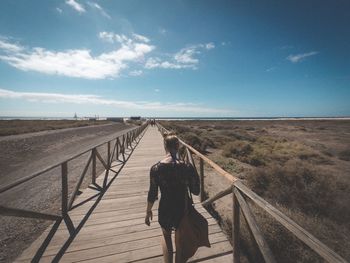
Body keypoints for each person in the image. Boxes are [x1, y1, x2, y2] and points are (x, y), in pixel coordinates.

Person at [145, 132, 200, 263]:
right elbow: (196, 191)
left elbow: (152, 193)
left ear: (165, 146)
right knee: (180, 242)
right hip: (182, 209)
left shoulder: (156, 168)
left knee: (166, 236)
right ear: (178, 146)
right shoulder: (187, 167)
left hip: (165, 208)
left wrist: (148, 211)